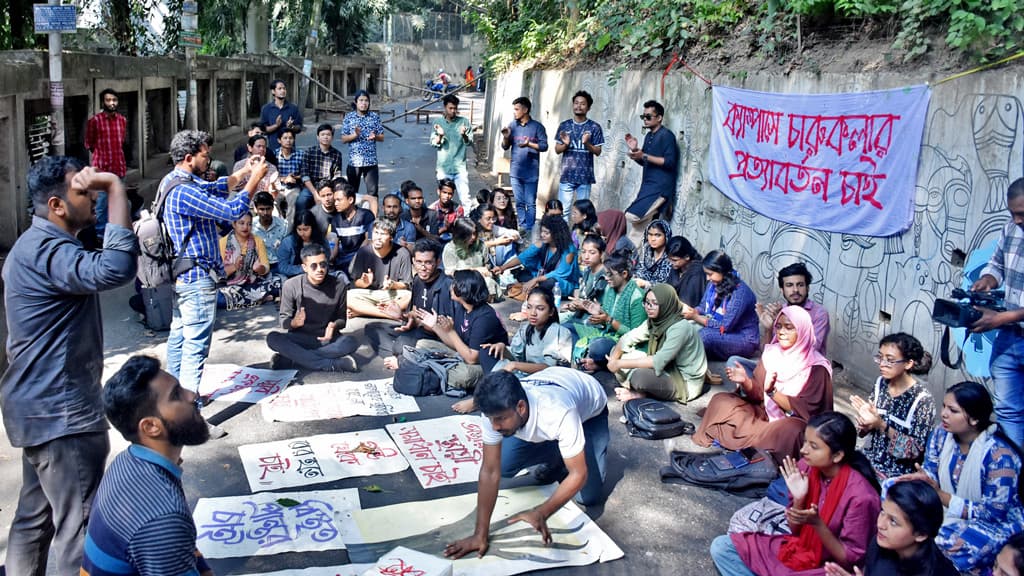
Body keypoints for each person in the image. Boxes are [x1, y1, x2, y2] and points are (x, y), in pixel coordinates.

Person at [1, 157, 137, 576]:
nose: (93, 195)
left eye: (95, 188)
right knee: (78, 530)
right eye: (84, 190)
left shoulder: (35, 246)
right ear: (58, 205)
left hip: (39, 408)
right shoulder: (46, 249)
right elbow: (116, 267)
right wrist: (115, 186)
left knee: (34, 520)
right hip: (62, 414)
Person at [443, 367, 609, 560]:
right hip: (553, 395)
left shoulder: (558, 412)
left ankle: (563, 449)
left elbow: (578, 474)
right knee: (504, 464)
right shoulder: (496, 409)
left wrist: (542, 512)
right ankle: (560, 450)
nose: (495, 426)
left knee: (588, 495)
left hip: (589, 412)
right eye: (491, 419)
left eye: (500, 419)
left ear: (520, 407)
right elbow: (490, 471)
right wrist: (480, 534)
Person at [81, 355, 214, 576]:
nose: (192, 396)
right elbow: (166, 534)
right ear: (151, 427)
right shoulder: (163, 517)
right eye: (177, 395)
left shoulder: (129, 460)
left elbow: (181, 551)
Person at [711, 412, 881, 576]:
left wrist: (817, 524)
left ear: (837, 456)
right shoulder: (806, 467)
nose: (803, 450)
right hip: (799, 549)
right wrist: (799, 498)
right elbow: (795, 531)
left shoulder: (861, 497)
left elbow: (850, 559)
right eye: (805, 442)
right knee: (723, 547)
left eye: (813, 446)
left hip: (829, 568)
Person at [164, 130, 266, 398]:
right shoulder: (184, 192)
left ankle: (172, 398)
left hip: (183, 275)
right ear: (189, 158)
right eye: (205, 156)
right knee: (195, 346)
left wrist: (244, 172)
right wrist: (255, 180)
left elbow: (216, 186)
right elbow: (233, 212)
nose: (208, 161)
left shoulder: (173, 181)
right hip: (197, 278)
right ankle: (187, 409)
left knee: (180, 338)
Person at [897, 381, 1024, 574]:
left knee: (945, 542)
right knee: (893, 495)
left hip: (995, 524)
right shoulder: (940, 433)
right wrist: (922, 479)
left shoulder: (1000, 457)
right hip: (945, 507)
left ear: (973, 419)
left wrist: (943, 497)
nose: (944, 414)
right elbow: (931, 470)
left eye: (953, 410)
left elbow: (994, 514)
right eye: (944, 407)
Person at [695, 305, 833, 459]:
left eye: (789, 327)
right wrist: (746, 381)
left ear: (802, 330)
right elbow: (758, 395)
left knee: (794, 431)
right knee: (722, 400)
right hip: (763, 415)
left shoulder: (817, 368)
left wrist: (773, 392)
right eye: (779, 326)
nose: (781, 332)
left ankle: (762, 451)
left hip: (790, 422)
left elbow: (808, 413)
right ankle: (758, 448)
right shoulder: (772, 353)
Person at [970, 177, 1024, 449]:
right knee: (1007, 412)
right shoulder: (1010, 229)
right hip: (1009, 338)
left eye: (1022, 214)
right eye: (1012, 213)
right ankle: (1012, 474)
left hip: (1006, 324)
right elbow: (996, 265)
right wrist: (988, 280)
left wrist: (1000, 318)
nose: (1017, 220)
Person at [822, 479, 959, 576]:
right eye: (882, 512)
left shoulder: (935, 572)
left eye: (893, 521)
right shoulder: (879, 544)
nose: (880, 525)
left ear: (921, 534)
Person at [849, 333, 935, 480]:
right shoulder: (880, 383)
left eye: (889, 360)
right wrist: (865, 425)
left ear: (908, 363)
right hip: (869, 460)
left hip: (897, 474)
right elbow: (865, 433)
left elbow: (914, 452)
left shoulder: (922, 401)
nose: (882, 364)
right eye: (880, 357)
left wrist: (882, 425)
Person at [607, 283, 707, 404]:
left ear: (666, 304)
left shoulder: (679, 327)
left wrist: (618, 363)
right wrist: (614, 359)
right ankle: (639, 388)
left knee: (639, 377)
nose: (649, 307)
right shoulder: (655, 320)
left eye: (655, 303)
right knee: (615, 351)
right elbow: (627, 338)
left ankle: (639, 392)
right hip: (668, 367)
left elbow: (658, 360)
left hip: (684, 381)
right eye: (647, 303)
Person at [267, 244, 359, 372]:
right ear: (304, 267)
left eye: (323, 264)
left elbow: (342, 319)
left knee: (351, 342)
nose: (319, 269)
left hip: (327, 339)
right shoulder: (291, 285)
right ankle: (332, 364)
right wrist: (293, 322)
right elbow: (284, 321)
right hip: (299, 338)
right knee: (272, 338)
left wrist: (333, 325)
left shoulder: (339, 285)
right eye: (314, 266)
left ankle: (294, 358)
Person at [417, 270, 509, 391]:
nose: (451, 287)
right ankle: (436, 370)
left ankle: (429, 370)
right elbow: (456, 344)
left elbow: (472, 359)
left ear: (463, 289)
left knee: (464, 376)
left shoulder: (485, 317)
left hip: (484, 364)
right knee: (422, 344)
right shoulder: (462, 308)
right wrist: (435, 327)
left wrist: (450, 331)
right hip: (464, 354)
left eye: (454, 283)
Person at [381, 239, 457, 370]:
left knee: (400, 344)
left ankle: (406, 359)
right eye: (419, 262)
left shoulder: (448, 286)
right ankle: (406, 356)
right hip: (420, 331)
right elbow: (415, 312)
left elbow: (451, 327)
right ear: (413, 261)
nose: (423, 268)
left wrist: (421, 323)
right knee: (376, 330)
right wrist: (403, 316)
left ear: (438, 262)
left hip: (440, 339)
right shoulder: (417, 280)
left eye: (428, 263)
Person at [569, 251, 646, 366]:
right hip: (606, 333)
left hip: (623, 342)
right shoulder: (610, 289)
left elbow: (634, 334)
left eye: (610, 274)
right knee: (568, 328)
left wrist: (609, 320)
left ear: (624, 274)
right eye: (605, 274)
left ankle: (592, 361)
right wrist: (599, 311)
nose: (606, 278)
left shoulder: (637, 297)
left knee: (597, 348)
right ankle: (584, 361)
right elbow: (606, 318)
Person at [682, 250, 760, 360]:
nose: (707, 278)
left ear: (721, 271)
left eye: (710, 274)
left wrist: (695, 317)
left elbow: (724, 327)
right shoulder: (713, 284)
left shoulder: (740, 292)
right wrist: (692, 311)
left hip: (743, 339)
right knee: (681, 326)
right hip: (722, 332)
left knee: (705, 336)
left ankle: (686, 366)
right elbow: (703, 307)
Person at [624, 100, 678, 247]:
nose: (645, 120)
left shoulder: (666, 136)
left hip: (660, 189)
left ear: (659, 117)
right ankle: (632, 261)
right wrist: (635, 152)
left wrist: (644, 156)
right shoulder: (649, 136)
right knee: (639, 231)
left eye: (648, 116)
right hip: (647, 186)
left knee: (632, 215)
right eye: (643, 117)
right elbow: (645, 161)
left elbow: (670, 162)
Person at [495, 214, 579, 297]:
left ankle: (534, 289)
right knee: (521, 274)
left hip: (561, 282)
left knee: (550, 282)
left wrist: (536, 280)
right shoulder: (542, 243)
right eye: (542, 231)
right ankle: (535, 288)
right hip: (540, 278)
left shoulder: (569, 250)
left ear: (556, 234)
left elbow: (560, 273)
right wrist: (502, 268)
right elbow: (523, 257)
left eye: (546, 233)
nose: (542, 235)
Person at [756, 262, 831, 354]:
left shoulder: (819, 314)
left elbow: (809, 350)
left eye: (800, 285)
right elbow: (765, 352)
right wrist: (769, 329)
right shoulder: (780, 312)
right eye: (789, 285)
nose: (795, 290)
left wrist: (786, 322)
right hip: (776, 363)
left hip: (805, 366)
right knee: (735, 360)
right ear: (782, 290)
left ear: (807, 288)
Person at [500, 96, 548, 234]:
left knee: (530, 203)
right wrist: (506, 137)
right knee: (519, 202)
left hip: (531, 172)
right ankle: (522, 227)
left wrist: (529, 144)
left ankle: (531, 228)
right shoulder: (512, 126)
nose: (514, 112)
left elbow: (544, 146)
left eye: (517, 109)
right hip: (516, 171)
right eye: (514, 109)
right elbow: (505, 147)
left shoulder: (537, 127)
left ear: (525, 110)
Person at [85, 88, 127, 241]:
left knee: (118, 201)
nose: (112, 103)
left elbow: (121, 141)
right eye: (108, 100)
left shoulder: (122, 120)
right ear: (103, 102)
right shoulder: (94, 121)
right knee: (101, 204)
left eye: (114, 100)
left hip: (118, 166)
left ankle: (116, 232)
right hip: (101, 168)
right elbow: (89, 143)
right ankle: (100, 236)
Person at [348, 219, 413, 319]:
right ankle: (388, 314)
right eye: (376, 233)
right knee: (347, 296)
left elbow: (406, 284)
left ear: (391, 237)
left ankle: (364, 311)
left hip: (390, 295)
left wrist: (392, 284)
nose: (378, 237)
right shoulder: (363, 252)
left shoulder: (402, 253)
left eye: (383, 234)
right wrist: (365, 283)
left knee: (410, 296)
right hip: (369, 294)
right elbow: (356, 282)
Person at [555, 90, 604, 219]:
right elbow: (557, 149)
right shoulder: (564, 125)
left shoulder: (594, 127)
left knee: (583, 213)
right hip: (567, 176)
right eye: (576, 103)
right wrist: (565, 144)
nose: (578, 106)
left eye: (582, 104)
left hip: (585, 177)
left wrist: (587, 144)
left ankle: (580, 238)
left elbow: (598, 151)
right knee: (563, 211)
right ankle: (563, 238)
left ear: (588, 107)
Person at [218, 212, 279, 310]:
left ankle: (253, 298)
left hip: (254, 283)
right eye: (241, 223)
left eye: (249, 224)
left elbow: (266, 267)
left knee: (279, 282)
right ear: (234, 224)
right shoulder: (223, 242)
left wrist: (260, 268)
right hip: (231, 287)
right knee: (218, 299)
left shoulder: (257, 240)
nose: (245, 227)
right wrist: (234, 266)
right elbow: (219, 274)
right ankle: (259, 298)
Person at [340, 90, 384, 215]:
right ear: (356, 102)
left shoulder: (374, 117)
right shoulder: (349, 117)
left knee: (373, 192)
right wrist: (355, 135)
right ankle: (352, 217)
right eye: (361, 100)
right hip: (354, 162)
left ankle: (373, 219)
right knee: (352, 192)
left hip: (371, 162)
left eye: (366, 101)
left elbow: (382, 137)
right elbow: (343, 139)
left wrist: (375, 137)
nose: (364, 103)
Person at [431, 94, 475, 209]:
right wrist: (440, 135)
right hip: (443, 168)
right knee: (443, 198)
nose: (453, 111)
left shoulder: (464, 122)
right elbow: (433, 143)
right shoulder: (438, 123)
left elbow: (469, 142)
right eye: (450, 108)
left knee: (465, 198)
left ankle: (466, 223)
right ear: (445, 107)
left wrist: (464, 135)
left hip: (460, 168)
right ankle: (442, 221)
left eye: (455, 108)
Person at [443, 217, 499, 297]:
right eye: (469, 234)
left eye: (474, 233)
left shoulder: (481, 246)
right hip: (461, 284)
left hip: (481, 281)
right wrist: (474, 270)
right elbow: (449, 272)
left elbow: (487, 265)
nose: (473, 237)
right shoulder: (450, 248)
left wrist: (489, 271)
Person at [331, 179, 375, 278]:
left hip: (362, 255)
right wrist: (330, 258)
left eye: (339, 200)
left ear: (350, 200)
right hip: (343, 256)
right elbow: (335, 244)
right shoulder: (335, 220)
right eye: (335, 200)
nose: (335, 203)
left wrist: (356, 257)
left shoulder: (366, 215)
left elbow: (369, 240)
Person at [561, 234, 607, 326]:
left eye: (592, 253)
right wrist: (572, 305)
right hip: (580, 315)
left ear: (601, 254)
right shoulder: (587, 270)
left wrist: (583, 306)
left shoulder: (605, 276)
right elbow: (582, 299)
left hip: (594, 321)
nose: (586, 256)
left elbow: (605, 309)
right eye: (583, 252)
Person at [277, 210, 331, 278]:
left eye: (305, 229)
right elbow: (282, 267)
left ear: (312, 228)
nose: (302, 233)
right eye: (299, 229)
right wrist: (305, 268)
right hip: (294, 277)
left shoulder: (321, 241)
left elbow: (326, 261)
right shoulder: (288, 242)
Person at [301, 123, 344, 203]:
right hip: (311, 186)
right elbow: (305, 175)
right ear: (318, 137)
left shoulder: (337, 154)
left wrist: (329, 191)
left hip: (328, 186)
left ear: (332, 137)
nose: (325, 137)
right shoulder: (309, 152)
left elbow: (337, 176)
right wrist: (314, 193)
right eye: (323, 134)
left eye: (328, 134)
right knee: (302, 201)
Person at [273, 128, 309, 223]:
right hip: (277, 187)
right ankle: (278, 224)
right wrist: (284, 179)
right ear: (279, 140)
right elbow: (270, 174)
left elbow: (305, 173)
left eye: (290, 138)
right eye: (285, 138)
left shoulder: (300, 154)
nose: (288, 140)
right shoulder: (274, 155)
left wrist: (295, 178)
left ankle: (289, 228)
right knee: (273, 202)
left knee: (292, 201)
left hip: (294, 187)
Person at [252, 190, 290, 274]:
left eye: (268, 209)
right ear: (255, 209)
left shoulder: (283, 225)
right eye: (261, 209)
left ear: (273, 207)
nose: (265, 213)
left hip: (279, 265)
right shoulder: (250, 226)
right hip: (257, 265)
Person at [261, 78, 303, 150]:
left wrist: (292, 126)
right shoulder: (266, 109)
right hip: (273, 148)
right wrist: (276, 125)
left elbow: (299, 128)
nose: (283, 91)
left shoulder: (293, 108)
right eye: (279, 89)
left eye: (284, 88)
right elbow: (263, 130)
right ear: (273, 91)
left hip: (290, 149)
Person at [476, 203, 520, 269]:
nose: (492, 221)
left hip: (494, 261)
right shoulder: (473, 229)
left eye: (493, 218)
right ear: (479, 219)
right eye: (488, 219)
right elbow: (474, 247)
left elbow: (511, 232)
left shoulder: (493, 228)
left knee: (509, 242)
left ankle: (511, 270)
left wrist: (513, 237)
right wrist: (496, 242)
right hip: (478, 265)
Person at [666, 235, 705, 307]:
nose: (670, 262)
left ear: (687, 257)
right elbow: (668, 289)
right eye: (669, 259)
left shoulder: (697, 272)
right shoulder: (677, 266)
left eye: (674, 260)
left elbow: (689, 303)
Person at [633, 219, 673, 287]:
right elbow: (640, 271)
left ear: (666, 236)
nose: (653, 239)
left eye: (658, 235)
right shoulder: (647, 251)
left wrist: (645, 283)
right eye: (650, 234)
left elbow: (666, 284)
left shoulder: (671, 256)